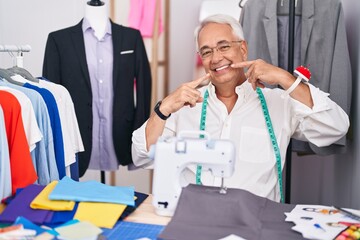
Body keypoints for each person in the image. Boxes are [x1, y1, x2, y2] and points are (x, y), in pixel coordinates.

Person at [131, 14, 349, 202]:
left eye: (224, 46)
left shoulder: (279, 103)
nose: (216, 58)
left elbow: (335, 128)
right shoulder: (184, 105)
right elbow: (142, 156)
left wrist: (285, 78)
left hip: (255, 226)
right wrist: (164, 108)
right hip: (196, 223)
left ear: (243, 49)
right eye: (206, 52)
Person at [43, 1, 152, 178]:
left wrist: (140, 134)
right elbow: (51, 97)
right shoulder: (59, 40)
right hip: (78, 136)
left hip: (121, 135)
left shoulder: (131, 37)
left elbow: (144, 87)